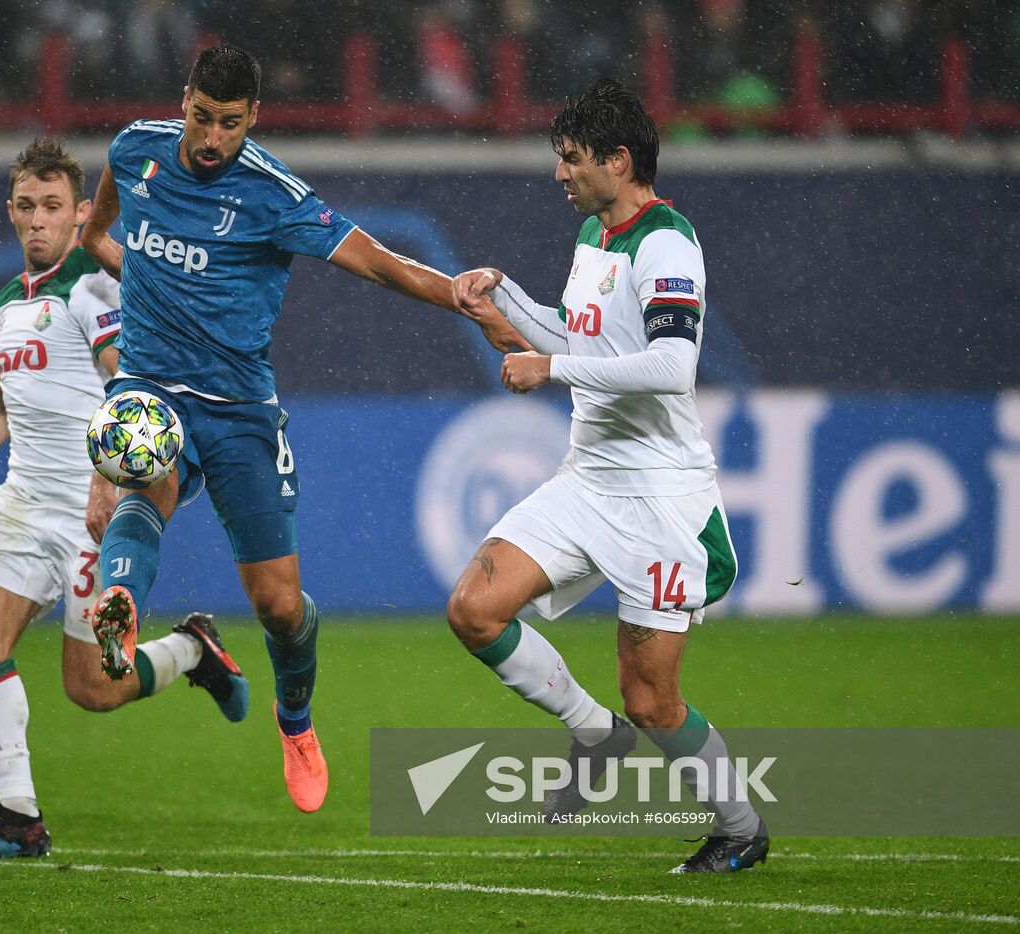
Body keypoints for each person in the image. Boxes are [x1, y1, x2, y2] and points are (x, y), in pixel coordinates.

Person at [78, 45, 528, 814]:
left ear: (253, 118)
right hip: (152, 387)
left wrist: (457, 295)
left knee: (280, 606)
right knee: (140, 479)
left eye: (228, 123)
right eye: (200, 117)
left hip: (241, 411)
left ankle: (296, 722)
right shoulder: (135, 147)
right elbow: (96, 230)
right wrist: (136, 271)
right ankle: (117, 605)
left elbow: (378, 262)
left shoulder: (271, 193)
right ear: (182, 100)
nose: (210, 138)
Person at [447, 79, 769, 873]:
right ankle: (592, 732)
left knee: (653, 701)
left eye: (572, 159)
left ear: (618, 161)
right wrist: (502, 294)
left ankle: (740, 828)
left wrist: (547, 369)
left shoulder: (667, 244)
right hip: (587, 479)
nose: (560, 174)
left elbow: (671, 365)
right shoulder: (597, 233)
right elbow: (577, 334)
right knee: (474, 610)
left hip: (659, 499)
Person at [0, 138, 248, 860]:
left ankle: (192, 649)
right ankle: (18, 821)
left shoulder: (95, 282)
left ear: (82, 211)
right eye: (26, 206)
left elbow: (128, 385)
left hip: (96, 514)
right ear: (11, 212)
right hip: (24, 502)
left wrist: (108, 480)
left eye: (53, 207)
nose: (38, 221)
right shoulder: (6, 304)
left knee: (94, 689)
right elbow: (0, 407)